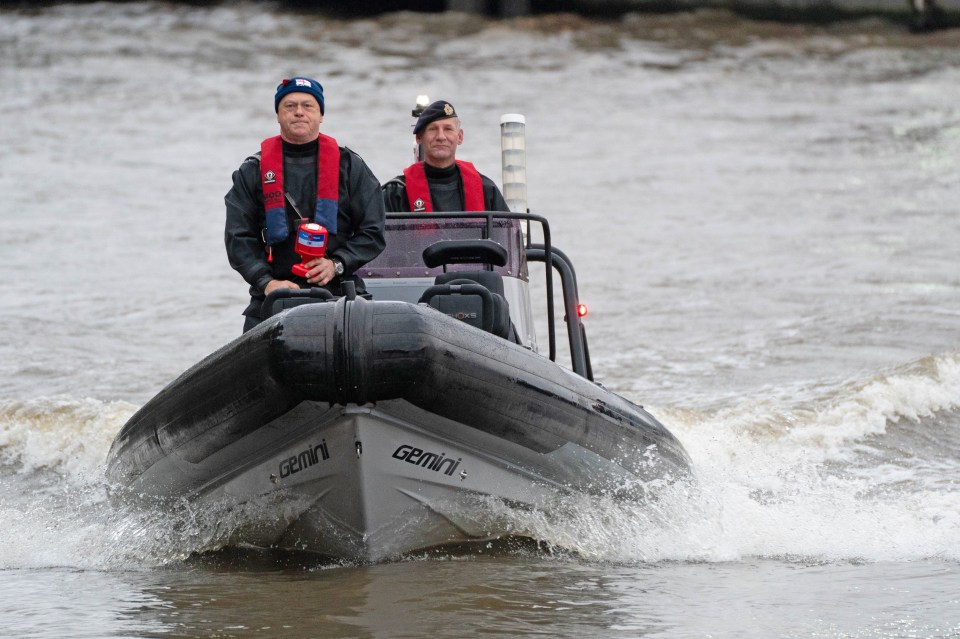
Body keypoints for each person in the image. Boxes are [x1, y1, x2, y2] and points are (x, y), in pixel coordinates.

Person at [225, 76, 386, 332]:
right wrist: (265, 282)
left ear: (321, 115)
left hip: (340, 290)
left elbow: (373, 231)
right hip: (275, 292)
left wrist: (336, 264)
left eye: (307, 106)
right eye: (289, 106)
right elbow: (238, 237)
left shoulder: (351, 167)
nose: (299, 112)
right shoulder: (252, 171)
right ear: (278, 115)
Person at [382, 100, 509, 213]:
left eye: (448, 129)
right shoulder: (396, 193)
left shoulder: (486, 189)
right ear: (419, 137)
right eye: (433, 129)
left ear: (460, 137)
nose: (441, 137)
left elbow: (509, 234)